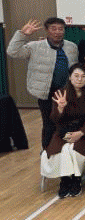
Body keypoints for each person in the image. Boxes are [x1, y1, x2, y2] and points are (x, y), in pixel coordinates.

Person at [7, 17, 78, 149]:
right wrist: (22, 34)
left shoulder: (72, 46)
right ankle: (47, 152)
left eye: (60, 29)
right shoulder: (35, 46)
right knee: (49, 123)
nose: (57, 32)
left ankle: (65, 152)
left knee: (67, 123)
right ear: (47, 30)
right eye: (53, 29)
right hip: (46, 92)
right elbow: (12, 52)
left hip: (67, 92)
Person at [40, 63, 85, 198]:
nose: (79, 79)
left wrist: (81, 133)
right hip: (63, 131)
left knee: (73, 150)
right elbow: (54, 119)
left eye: (83, 76)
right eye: (76, 76)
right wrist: (60, 108)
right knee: (59, 150)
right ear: (70, 77)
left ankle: (76, 180)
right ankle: (65, 180)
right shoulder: (60, 93)